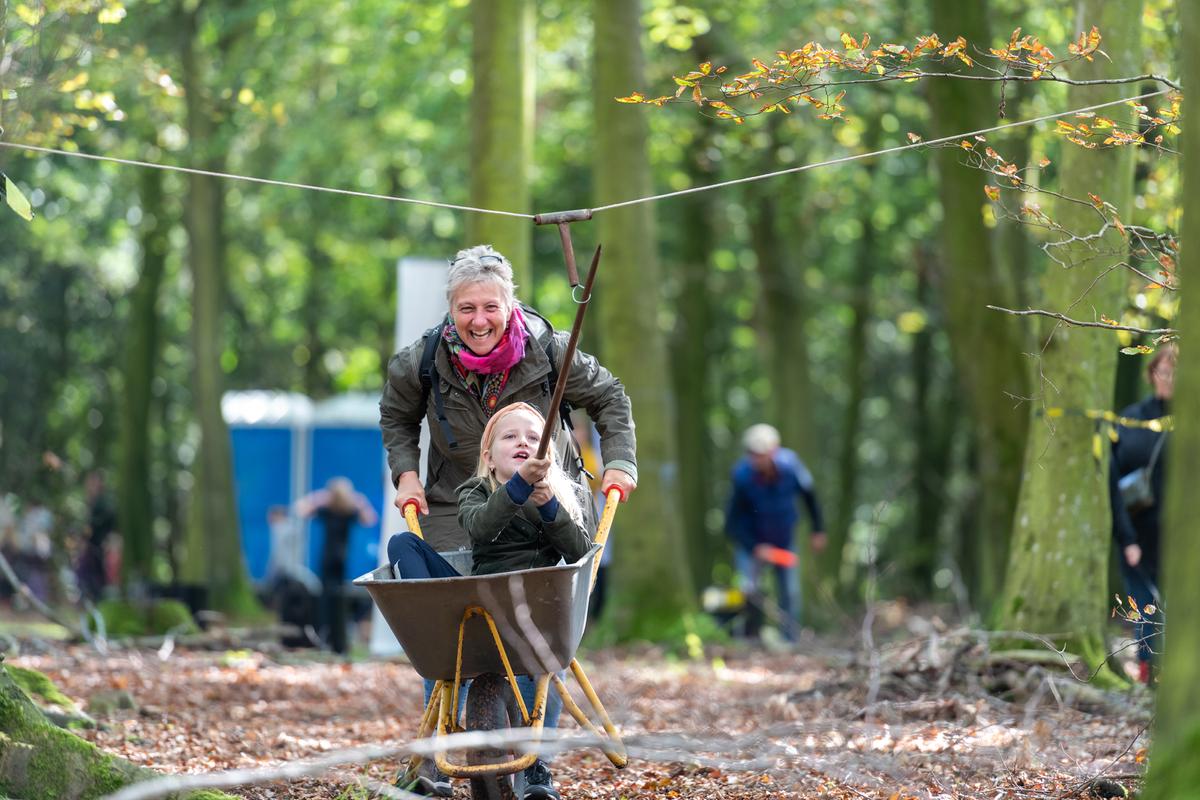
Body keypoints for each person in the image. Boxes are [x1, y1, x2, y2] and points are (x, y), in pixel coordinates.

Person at [387, 403, 590, 800]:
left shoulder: (556, 498)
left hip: (534, 611)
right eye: (510, 437)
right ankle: (433, 631)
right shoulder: (475, 491)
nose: (523, 443)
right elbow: (481, 529)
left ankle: (535, 768)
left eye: (533, 438)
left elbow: (580, 553)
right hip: (473, 609)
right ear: (488, 455)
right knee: (402, 543)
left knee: (546, 669)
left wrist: (548, 503)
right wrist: (516, 490)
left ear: (546, 455)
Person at [379, 244, 637, 552]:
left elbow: (609, 396)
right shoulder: (422, 361)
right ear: (450, 309)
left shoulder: (548, 351)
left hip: (549, 499)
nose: (479, 321)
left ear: (509, 306)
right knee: (447, 587)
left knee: (551, 588)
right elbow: (398, 415)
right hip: (460, 505)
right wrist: (406, 475)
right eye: (466, 309)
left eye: (491, 307)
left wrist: (620, 461)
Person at [1109, 344, 1175, 684]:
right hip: (1137, 537)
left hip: (1181, 540)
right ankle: (1148, 678)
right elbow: (1111, 482)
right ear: (1152, 373)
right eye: (1166, 369)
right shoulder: (1130, 421)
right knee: (1146, 607)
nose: (1172, 377)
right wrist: (1126, 537)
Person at [725, 423, 826, 642]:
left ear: (774, 451)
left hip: (784, 541)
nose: (756, 459)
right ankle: (749, 639)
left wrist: (818, 529)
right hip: (752, 545)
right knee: (748, 592)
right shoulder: (741, 476)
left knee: (790, 592)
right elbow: (732, 522)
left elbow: (810, 497)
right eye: (751, 453)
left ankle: (790, 640)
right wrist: (754, 547)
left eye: (760, 453)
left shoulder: (792, 466)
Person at [296, 478, 378, 655]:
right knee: (326, 599)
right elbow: (301, 509)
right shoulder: (327, 511)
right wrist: (320, 498)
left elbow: (370, 519)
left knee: (337, 599)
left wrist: (359, 501)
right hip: (328, 561)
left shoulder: (348, 513)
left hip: (340, 562)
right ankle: (326, 637)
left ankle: (337, 640)